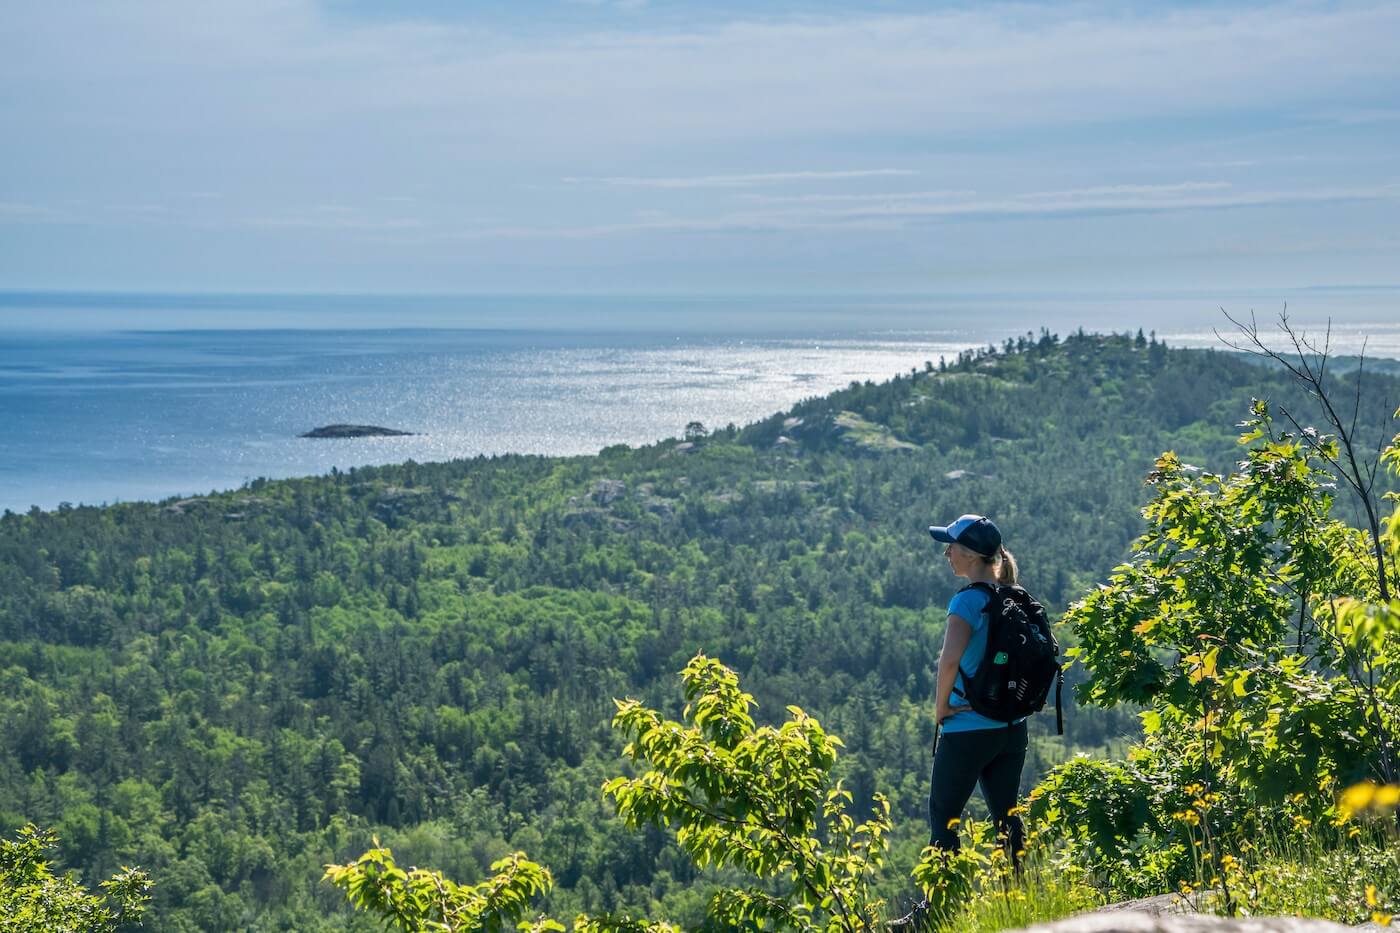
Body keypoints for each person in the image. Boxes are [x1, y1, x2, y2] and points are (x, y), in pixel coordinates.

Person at [890, 513, 1026, 930]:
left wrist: (940, 708)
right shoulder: (1014, 596)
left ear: (969, 555)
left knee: (944, 816)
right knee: (1007, 815)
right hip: (1011, 727)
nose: (946, 553)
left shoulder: (967, 601)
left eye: (951, 546)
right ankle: (1018, 900)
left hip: (967, 728)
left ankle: (937, 913)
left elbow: (948, 661)